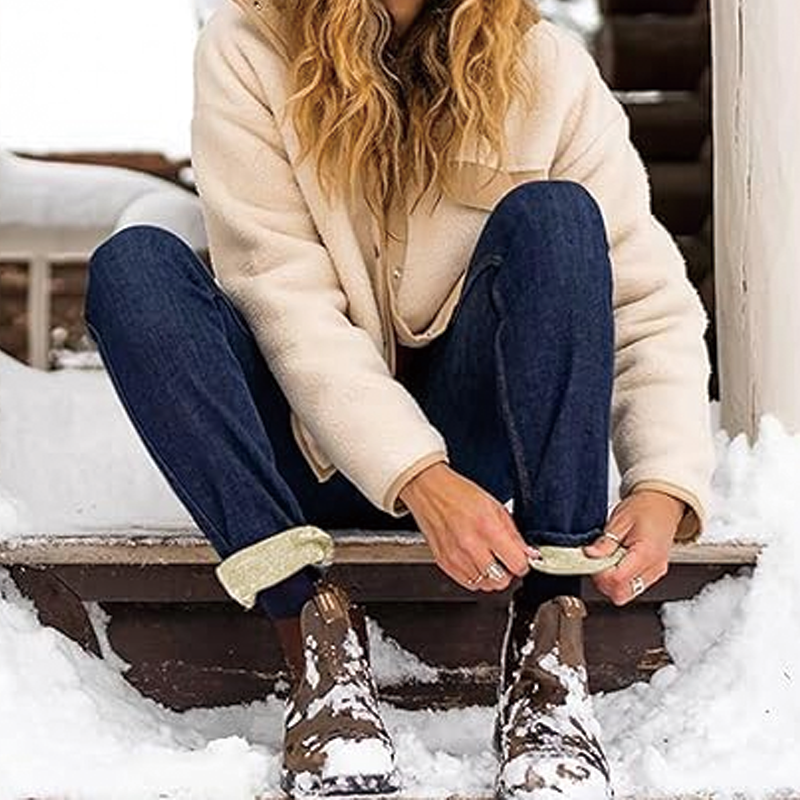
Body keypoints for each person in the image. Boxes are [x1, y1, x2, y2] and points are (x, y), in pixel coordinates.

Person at [83, 0, 715, 796]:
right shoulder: (248, 44)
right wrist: (417, 476)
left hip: (473, 443)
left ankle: (550, 645)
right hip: (301, 451)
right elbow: (282, 295)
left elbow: (645, 297)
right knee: (134, 270)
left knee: (556, 219)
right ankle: (315, 641)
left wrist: (663, 483)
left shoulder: (544, 63)